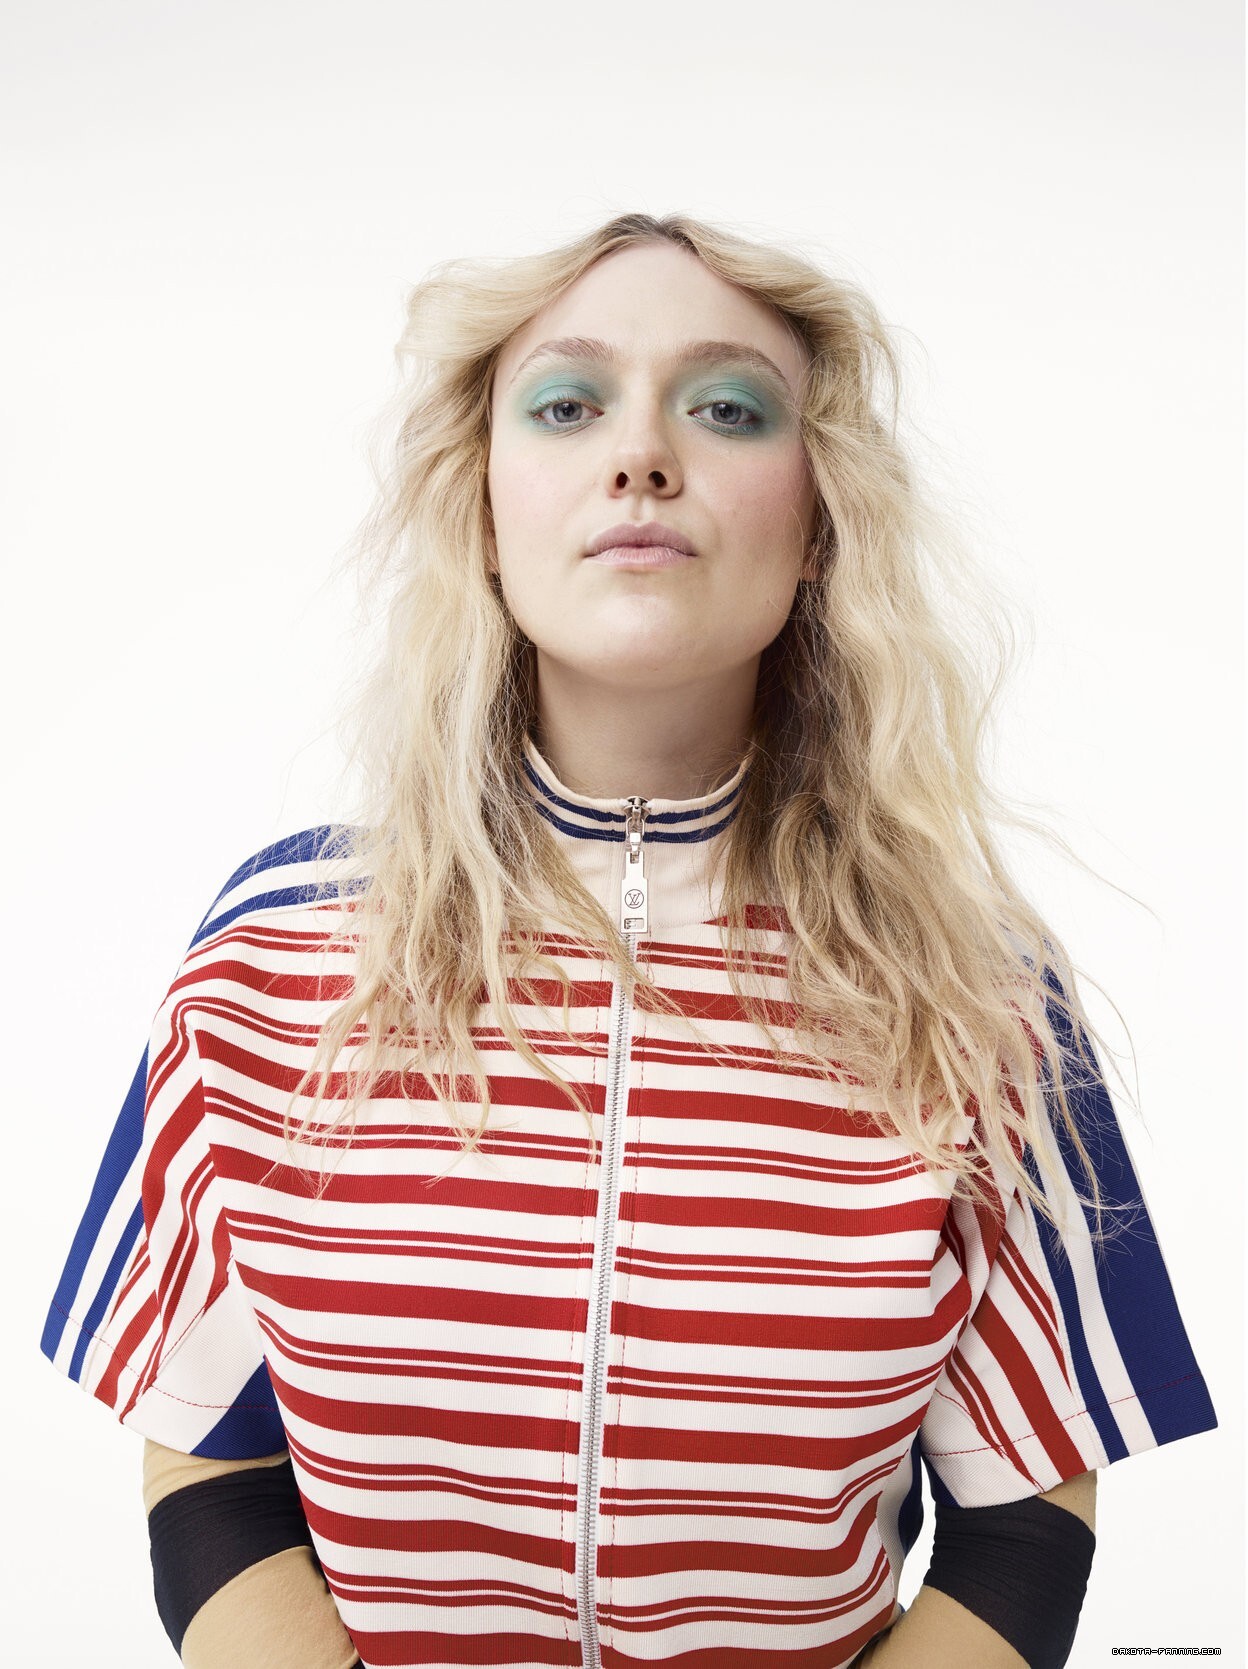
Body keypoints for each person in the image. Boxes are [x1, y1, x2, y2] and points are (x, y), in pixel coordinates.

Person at [42, 212, 1216, 1669]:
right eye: (566, 404)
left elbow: (1023, 1526)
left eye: (726, 409)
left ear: (818, 524)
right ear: (483, 511)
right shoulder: (274, 957)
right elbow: (212, 1469)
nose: (643, 454)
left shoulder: (977, 992)